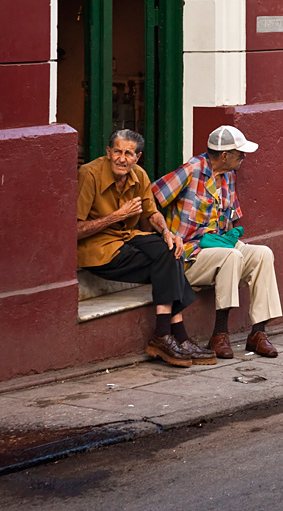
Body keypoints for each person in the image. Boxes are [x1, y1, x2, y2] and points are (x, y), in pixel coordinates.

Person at [77, 130, 216, 367]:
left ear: (137, 157)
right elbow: (75, 229)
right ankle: (176, 335)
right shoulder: (88, 174)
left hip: (128, 237)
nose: (122, 158)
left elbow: (152, 213)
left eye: (128, 153)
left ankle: (164, 336)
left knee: (170, 248)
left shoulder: (138, 175)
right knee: (166, 263)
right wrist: (117, 216)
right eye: (118, 152)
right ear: (108, 152)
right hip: (99, 249)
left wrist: (166, 232)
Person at [152, 125, 283, 359]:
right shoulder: (192, 170)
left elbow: (231, 218)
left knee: (263, 253)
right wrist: (164, 233)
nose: (243, 157)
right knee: (230, 256)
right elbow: (152, 196)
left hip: (219, 249)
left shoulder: (229, 176)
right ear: (224, 155)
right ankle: (219, 334)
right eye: (239, 153)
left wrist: (235, 241)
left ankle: (258, 333)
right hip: (189, 256)